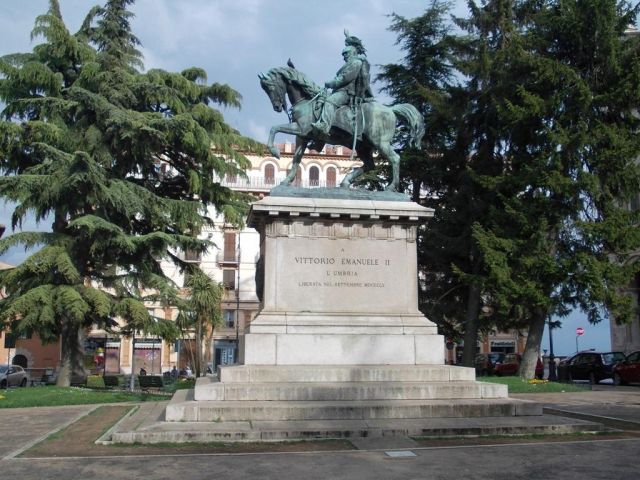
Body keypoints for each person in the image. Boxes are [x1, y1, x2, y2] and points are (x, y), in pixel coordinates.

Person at [311, 33, 373, 137]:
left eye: (346, 54)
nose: (344, 57)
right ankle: (320, 141)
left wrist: (331, 83)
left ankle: (324, 126)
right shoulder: (351, 63)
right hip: (341, 91)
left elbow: (345, 78)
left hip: (347, 92)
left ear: (353, 52)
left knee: (329, 102)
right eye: (343, 54)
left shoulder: (356, 63)